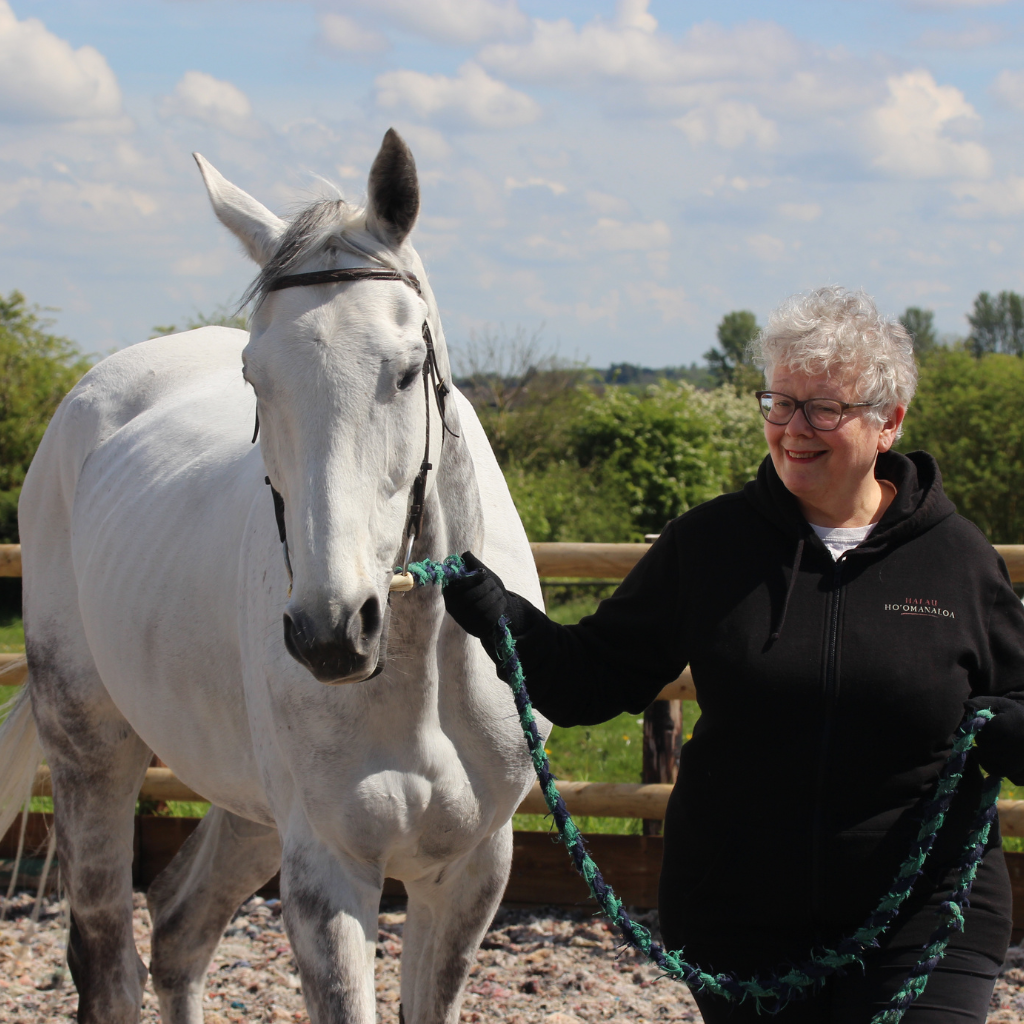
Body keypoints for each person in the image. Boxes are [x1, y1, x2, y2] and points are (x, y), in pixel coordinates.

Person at [443, 286, 1024, 1023]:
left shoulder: (957, 560)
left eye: (823, 408)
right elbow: (590, 679)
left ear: (889, 424)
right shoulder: (710, 546)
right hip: (740, 920)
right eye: (779, 403)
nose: (793, 428)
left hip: (925, 921)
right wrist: (501, 618)